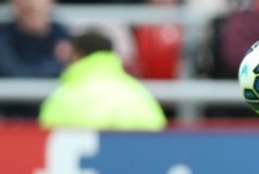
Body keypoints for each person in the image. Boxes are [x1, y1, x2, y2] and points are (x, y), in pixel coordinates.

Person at [38, 29, 167, 131]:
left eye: (70, 56)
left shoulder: (63, 97)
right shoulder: (141, 95)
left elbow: (46, 140)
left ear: (79, 55)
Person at [0, 0, 69, 78]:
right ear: (12, 1)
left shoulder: (63, 35)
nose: (29, 2)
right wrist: (58, 63)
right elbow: (13, 74)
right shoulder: (4, 39)